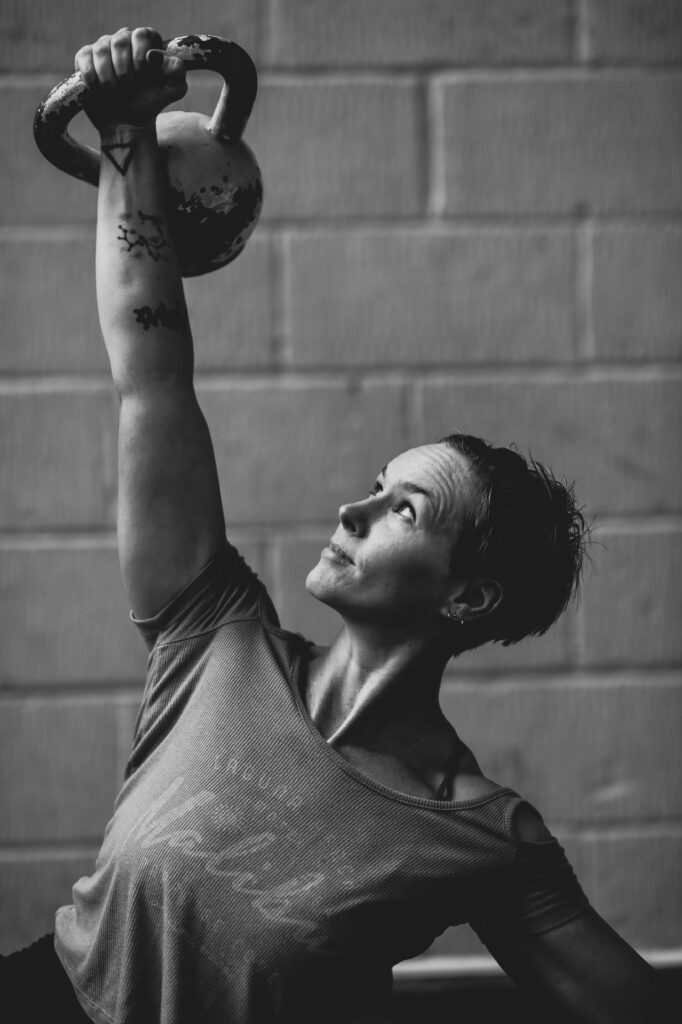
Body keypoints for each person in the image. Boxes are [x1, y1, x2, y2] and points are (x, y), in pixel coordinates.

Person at [1, 26, 674, 1024]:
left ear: (468, 591)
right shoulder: (212, 630)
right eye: (372, 484)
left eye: (403, 507)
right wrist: (129, 133)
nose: (352, 508)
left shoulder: (480, 834)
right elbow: (151, 368)